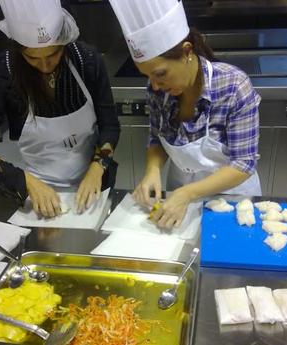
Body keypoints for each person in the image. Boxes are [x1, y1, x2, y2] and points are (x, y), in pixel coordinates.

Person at [0, 0, 120, 218]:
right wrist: (24, 180)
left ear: (64, 41)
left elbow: (109, 125)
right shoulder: (1, 72)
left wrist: (98, 166)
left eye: (53, 55)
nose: (45, 66)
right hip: (39, 186)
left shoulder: (87, 61)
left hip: (93, 178)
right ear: (17, 50)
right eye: (32, 58)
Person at [109, 0, 261, 229]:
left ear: (187, 52)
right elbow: (156, 137)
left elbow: (243, 164)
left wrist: (187, 194)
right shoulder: (157, 90)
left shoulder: (234, 86)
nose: (155, 86)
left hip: (230, 200)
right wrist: (152, 170)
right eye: (147, 76)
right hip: (177, 194)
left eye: (160, 74)